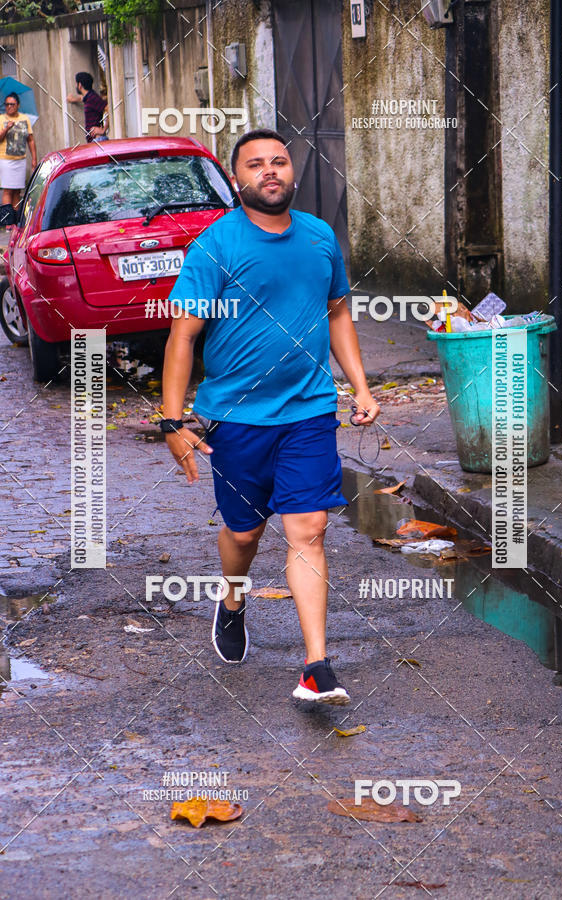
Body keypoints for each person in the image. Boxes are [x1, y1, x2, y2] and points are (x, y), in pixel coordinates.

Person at [161, 129, 380, 705]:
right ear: (238, 180)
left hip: (309, 411)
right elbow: (183, 336)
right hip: (236, 420)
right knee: (244, 532)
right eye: (255, 165)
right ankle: (233, 597)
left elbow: (337, 314)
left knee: (309, 530)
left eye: (278, 161)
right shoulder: (215, 246)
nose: (270, 171)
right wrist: (172, 420)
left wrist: (360, 387)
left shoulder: (319, 237)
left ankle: (316, 667)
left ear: (293, 171)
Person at [0, 92, 36, 209]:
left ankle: (15, 221)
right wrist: (7, 128)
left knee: (17, 191)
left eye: (12, 104)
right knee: (8, 190)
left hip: (20, 160)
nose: (9, 107)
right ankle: (8, 221)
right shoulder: (1, 119)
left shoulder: (24, 118)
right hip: (6, 160)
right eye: (7, 104)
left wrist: (34, 159)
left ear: (18, 105)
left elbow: (30, 139)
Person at [66, 72, 108, 142]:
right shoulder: (88, 97)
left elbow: (108, 108)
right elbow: (82, 98)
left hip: (98, 140)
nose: (76, 86)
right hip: (94, 140)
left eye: (76, 84)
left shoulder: (92, 98)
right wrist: (73, 99)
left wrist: (103, 130)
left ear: (80, 85)